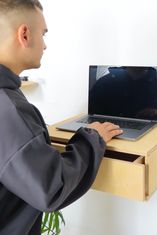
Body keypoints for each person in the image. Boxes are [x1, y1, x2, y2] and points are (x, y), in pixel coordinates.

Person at [0, 1, 123, 234]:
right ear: (24, 34)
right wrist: (92, 138)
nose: (45, 45)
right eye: (43, 34)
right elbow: (51, 188)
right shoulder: (8, 109)